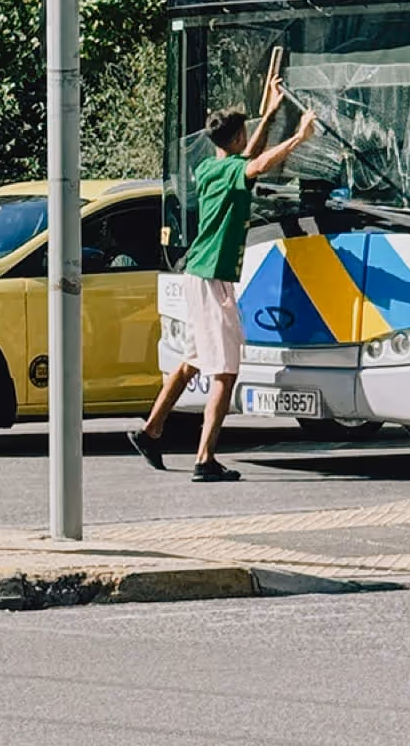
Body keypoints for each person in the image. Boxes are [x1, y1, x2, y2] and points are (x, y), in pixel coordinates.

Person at [129, 78, 316, 481]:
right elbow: (260, 163)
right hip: (214, 279)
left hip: (196, 275)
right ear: (235, 139)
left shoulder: (211, 168)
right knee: (225, 373)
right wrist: (299, 136)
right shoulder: (235, 171)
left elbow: (249, 156)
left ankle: (150, 430)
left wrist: (269, 112)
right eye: (245, 132)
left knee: (192, 360)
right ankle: (204, 459)